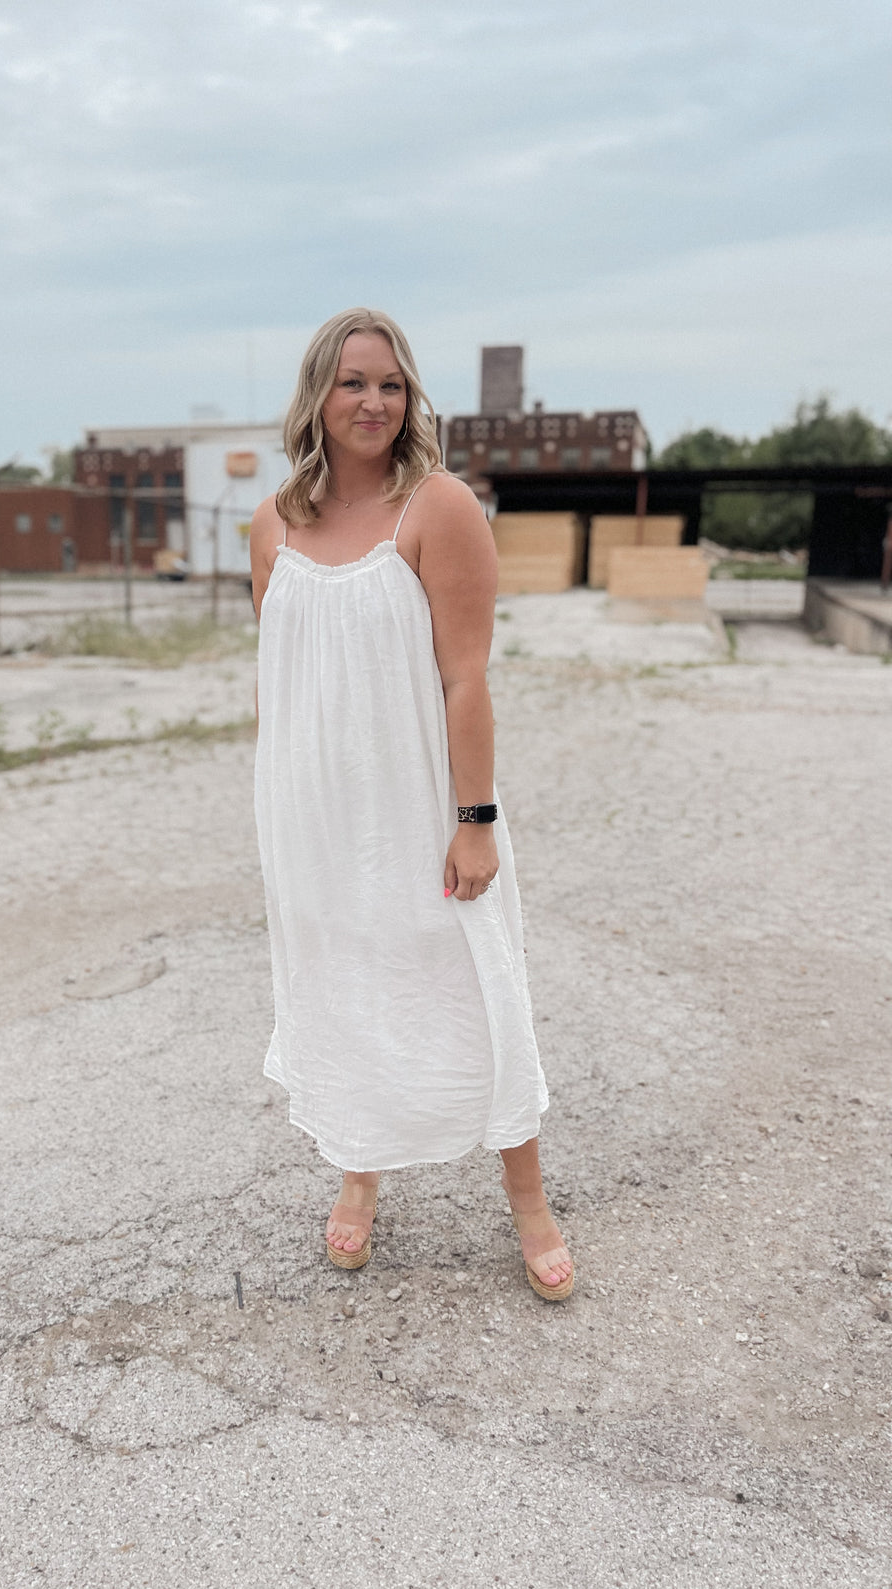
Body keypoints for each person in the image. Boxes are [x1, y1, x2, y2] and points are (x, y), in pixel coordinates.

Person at [249, 308, 573, 1300]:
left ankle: (529, 1201)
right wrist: (287, 809)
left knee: (477, 987)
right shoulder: (271, 522)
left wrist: (474, 822)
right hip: (317, 811)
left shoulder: (439, 506)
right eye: (353, 383)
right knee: (347, 980)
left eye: (390, 384)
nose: (374, 401)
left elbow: (465, 680)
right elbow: (287, 679)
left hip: (424, 804)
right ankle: (360, 1172)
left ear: (410, 397)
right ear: (318, 395)